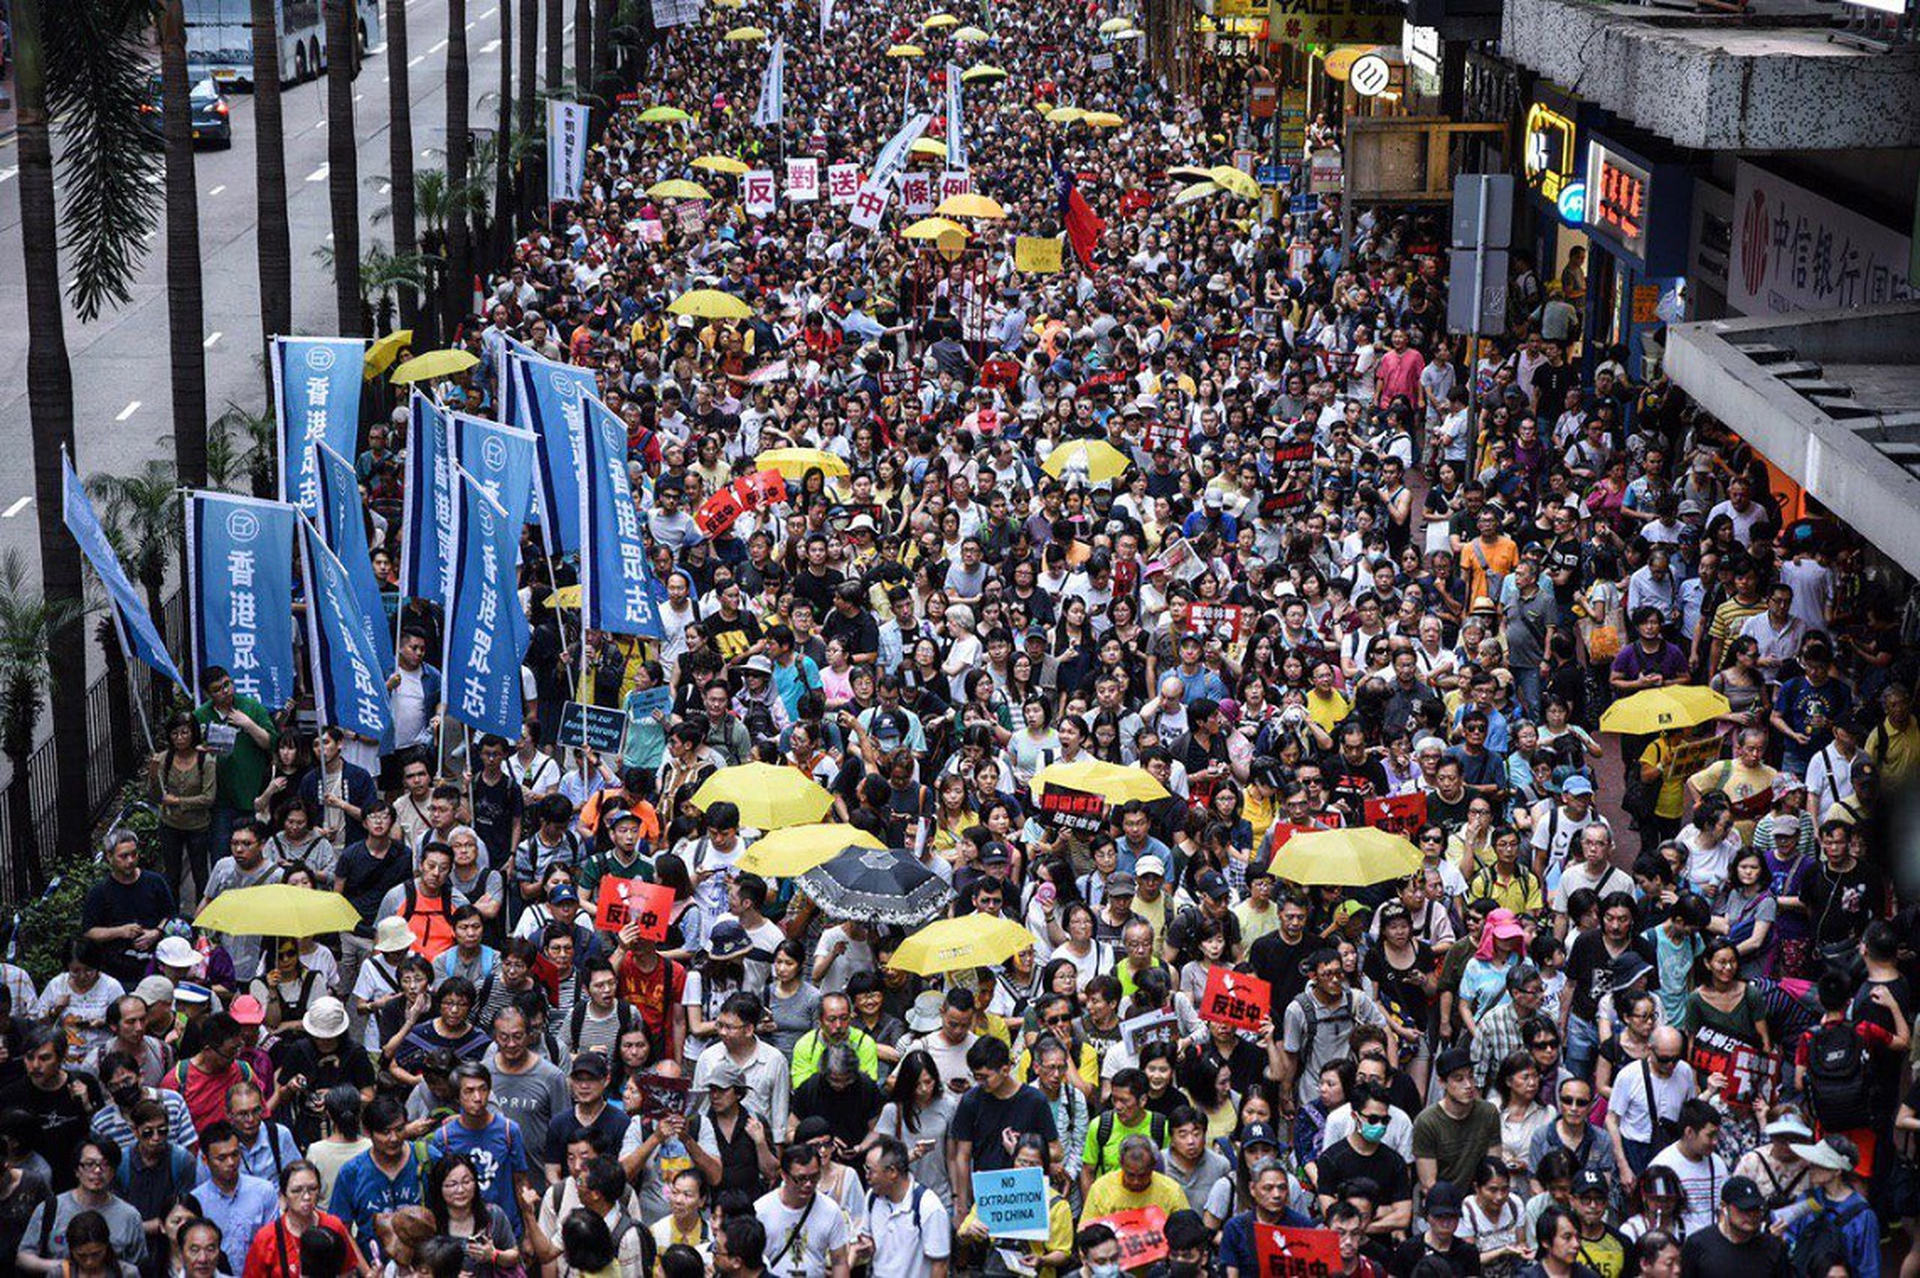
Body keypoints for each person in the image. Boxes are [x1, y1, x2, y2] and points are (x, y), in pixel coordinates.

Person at [17, 1141, 147, 1275]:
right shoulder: (51, 1208)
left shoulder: (129, 1216)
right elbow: (24, 1256)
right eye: (89, 1164)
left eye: (105, 1164)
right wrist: (63, 1268)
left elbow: (138, 1264)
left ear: (114, 1171)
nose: (97, 1171)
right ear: (77, 1170)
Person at [1780, 1136, 1878, 1278]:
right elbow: (1790, 1239)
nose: (1811, 1168)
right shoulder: (1806, 1200)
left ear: (1837, 1171)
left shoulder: (1864, 1215)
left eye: (1818, 1163)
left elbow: (1868, 1269)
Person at [859, 1136, 950, 1278]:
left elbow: (940, 1265)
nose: (867, 1176)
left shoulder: (928, 1206)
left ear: (892, 1172)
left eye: (871, 1171)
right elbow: (866, 1238)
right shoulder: (872, 1197)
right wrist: (865, 1245)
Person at [1676, 1176, 1785, 1278]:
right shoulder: (1698, 1245)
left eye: (1755, 1209)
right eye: (1744, 1209)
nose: (1751, 1215)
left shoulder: (1772, 1248)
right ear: (1724, 1207)